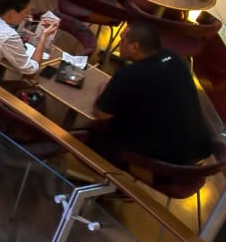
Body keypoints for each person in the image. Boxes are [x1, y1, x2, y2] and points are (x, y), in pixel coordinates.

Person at [87, 20, 216, 165]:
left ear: (134, 47)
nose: (120, 43)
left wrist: (103, 90)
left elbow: (101, 114)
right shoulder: (175, 60)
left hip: (168, 161)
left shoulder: (130, 74)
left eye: (123, 40)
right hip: (199, 152)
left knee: (92, 133)